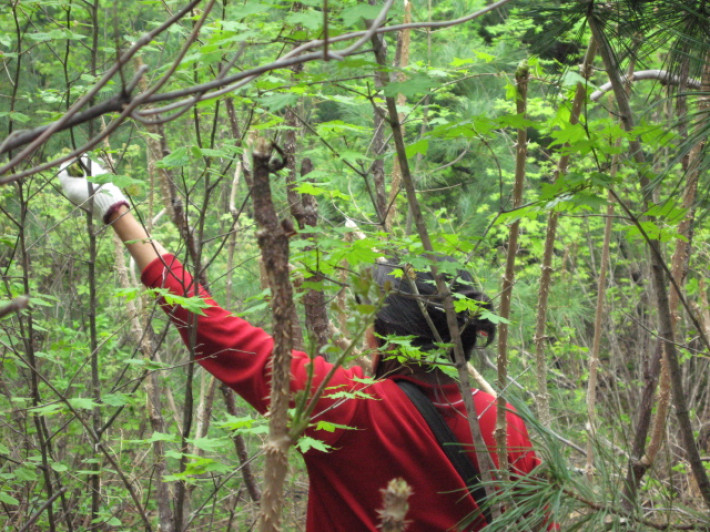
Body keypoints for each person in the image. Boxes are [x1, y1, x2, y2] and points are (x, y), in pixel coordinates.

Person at [59, 157, 542, 531]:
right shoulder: (505, 427)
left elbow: (212, 327)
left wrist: (115, 209)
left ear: (384, 333)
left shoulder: (348, 407)